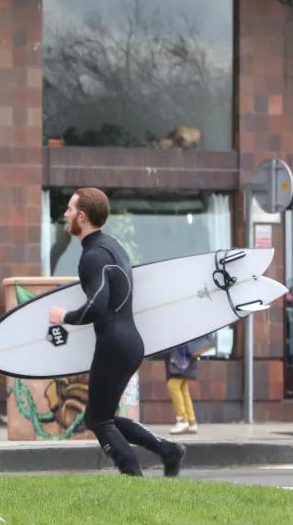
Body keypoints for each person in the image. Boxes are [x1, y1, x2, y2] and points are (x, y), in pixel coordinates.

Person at [49, 187, 186, 477]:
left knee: (97, 420)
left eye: (70, 209)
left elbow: (97, 306)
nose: (66, 214)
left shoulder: (92, 256)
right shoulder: (112, 246)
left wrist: (65, 317)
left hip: (113, 344)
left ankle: (131, 472)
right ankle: (167, 450)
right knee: (104, 416)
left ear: (82, 217)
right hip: (129, 343)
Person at [165, 335, 215, 434]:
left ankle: (182, 420)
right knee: (183, 389)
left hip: (181, 357)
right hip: (186, 356)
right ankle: (191, 422)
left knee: (173, 386)